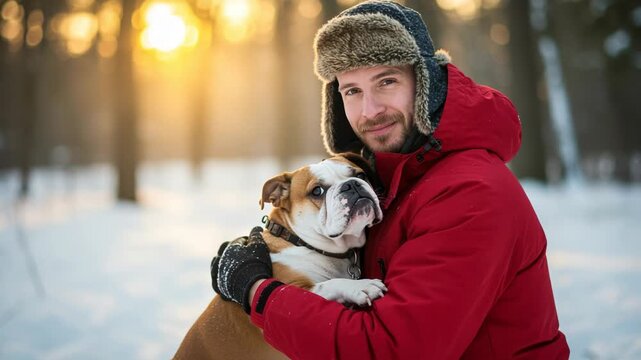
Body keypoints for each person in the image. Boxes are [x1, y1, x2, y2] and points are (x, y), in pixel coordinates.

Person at [211, 1, 570, 358]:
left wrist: (256, 290)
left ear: (425, 83)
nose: (370, 110)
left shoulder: (470, 192)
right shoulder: (395, 181)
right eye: (352, 90)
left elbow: (389, 350)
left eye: (386, 81)